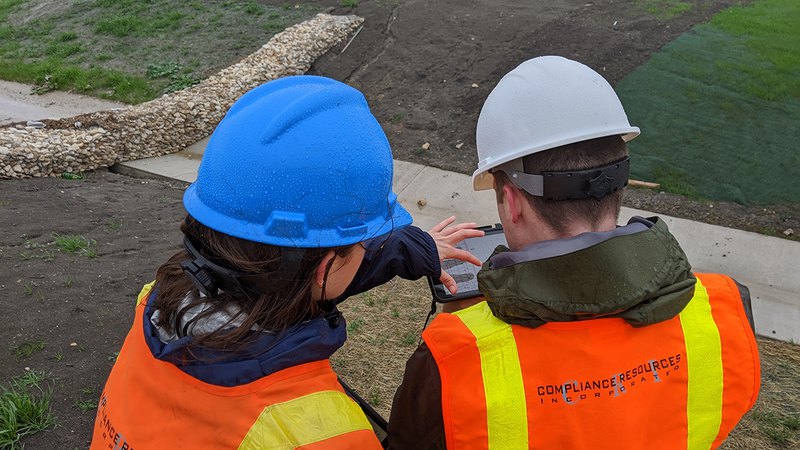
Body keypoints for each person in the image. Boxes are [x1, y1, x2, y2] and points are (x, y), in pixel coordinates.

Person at [89, 75, 483, 450]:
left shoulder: (158, 307)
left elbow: (305, 274)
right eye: (363, 240)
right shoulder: (323, 438)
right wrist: (457, 352)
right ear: (322, 268)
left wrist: (411, 248)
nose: (368, 247)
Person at [387, 56, 760, 449]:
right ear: (618, 183)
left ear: (511, 202)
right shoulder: (723, 311)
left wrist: (469, 334)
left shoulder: (454, 357)